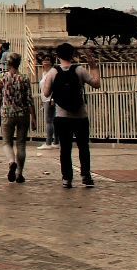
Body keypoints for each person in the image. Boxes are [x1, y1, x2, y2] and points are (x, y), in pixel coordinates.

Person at [40, 43, 101, 188]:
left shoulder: (53, 72)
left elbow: (46, 93)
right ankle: (86, 176)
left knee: (65, 149)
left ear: (58, 56)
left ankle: (67, 178)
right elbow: (96, 84)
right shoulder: (79, 70)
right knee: (83, 147)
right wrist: (93, 67)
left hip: (62, 116)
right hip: (80, 115)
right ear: (72, 54)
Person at [0, 54, 36, 183]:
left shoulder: (2, 78)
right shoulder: (24, 78)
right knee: (21, 144)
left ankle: (11, 161)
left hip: (7, 113)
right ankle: (19, 173)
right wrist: (33, 117)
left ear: (8, 63)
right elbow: (29, 100)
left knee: (7, 142)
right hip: (22, 114)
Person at [37, 56, 57, 149]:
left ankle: (49, 142)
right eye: (44, 59)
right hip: (45, 99)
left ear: (51, 62)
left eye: (47, 60)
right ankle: (55, 141)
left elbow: (54, 86)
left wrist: (53, 99)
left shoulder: (52, 72)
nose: (45, 61)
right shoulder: (45, 73)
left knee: (49, 121)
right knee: (52, 121)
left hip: (50, 99)